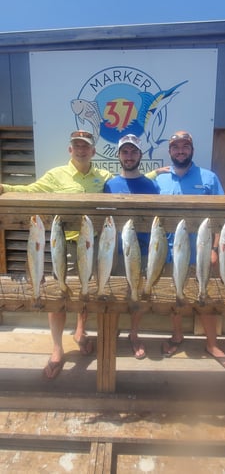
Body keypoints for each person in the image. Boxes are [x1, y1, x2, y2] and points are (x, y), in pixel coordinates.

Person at [0, 130, 113, 379]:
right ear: (70, 149)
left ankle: (80, 331)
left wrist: (154, 175)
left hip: (93, 244)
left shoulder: (103, 176)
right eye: (77, 145)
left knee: (88, 289)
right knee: (58, 293)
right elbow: (31, 190)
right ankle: (57, 349)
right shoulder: (56, 175)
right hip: (65, 244)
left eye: (86, 146)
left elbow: (128, 182)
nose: (81, 149)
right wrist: (4, 187)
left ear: (93, 152)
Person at [155, 130, 225, 374]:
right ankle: (177, 335)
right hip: (168, 252)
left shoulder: (209, 178)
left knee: (207, 300)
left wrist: (215, 249)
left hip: (202, 253)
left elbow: (221, 217)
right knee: (176, 296)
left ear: (191, 149)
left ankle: (212, 345)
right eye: (176, 147)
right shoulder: (159, 180)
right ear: (170, 151)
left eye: (185, 147)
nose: (180, 151)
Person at [104, 134, 160, 360]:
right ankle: (111, 334)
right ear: (118, 155)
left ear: (140, 155)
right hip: (115, 254)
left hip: (145, 251)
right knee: (115, 295)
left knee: (140, 298)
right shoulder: (109, 185)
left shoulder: (151, 185)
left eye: (133, 152)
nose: (129, 156)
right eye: (125, 152)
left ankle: (134, 334)